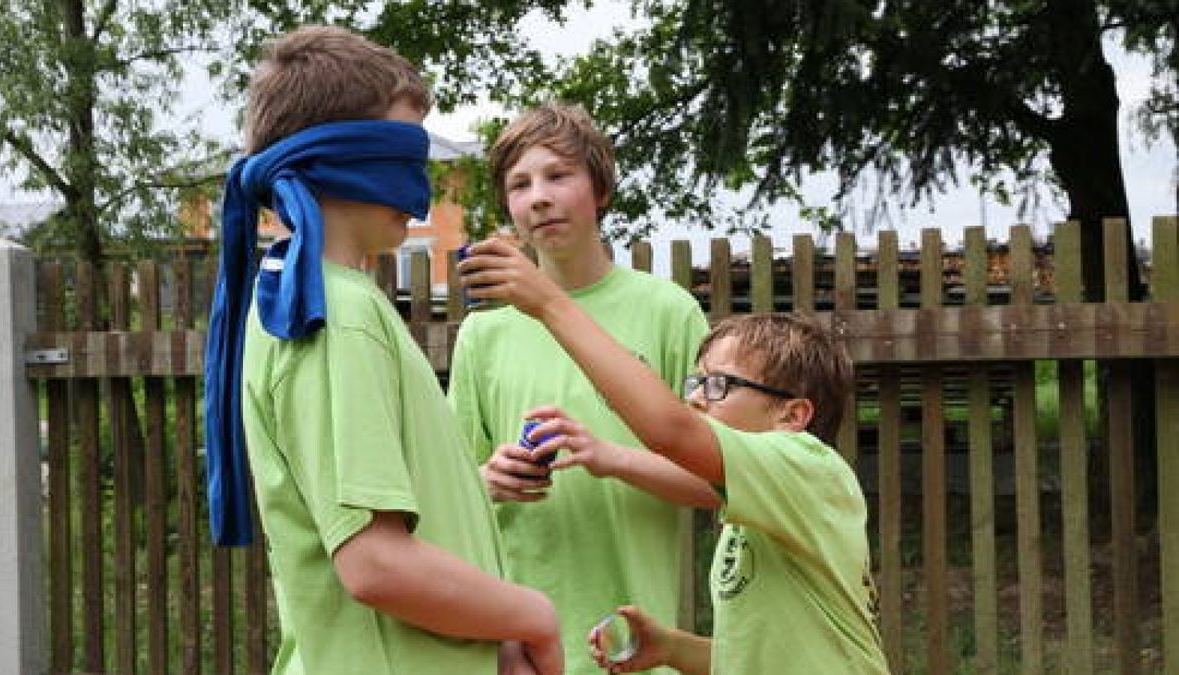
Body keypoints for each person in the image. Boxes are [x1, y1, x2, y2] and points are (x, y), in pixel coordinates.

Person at [202, 26, 561, 675]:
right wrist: (530, 614)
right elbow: (374, 563)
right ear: (338, 155)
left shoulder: (313, 298)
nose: (420, 183)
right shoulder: (331, 313)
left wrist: (489, 631)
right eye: (404, 152)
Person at [458, 244, 889, 674]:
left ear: (791, 415)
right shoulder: (756, 514)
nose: (697, 399)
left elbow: (671, 432)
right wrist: (671, 648)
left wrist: (550, 303)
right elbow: (757, 658)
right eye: (696, 383)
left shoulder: (808, 466)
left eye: (719, 385)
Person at [448, 102, 716, 675]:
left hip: (636, 646)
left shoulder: (670, 312)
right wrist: (486, 480)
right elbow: (449, 498)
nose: (539, 197)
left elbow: (720, 483)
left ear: (602, 191)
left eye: (558, 175)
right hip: (518, 651)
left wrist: (611, 458)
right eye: (520, 185)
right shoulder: (481, 335)